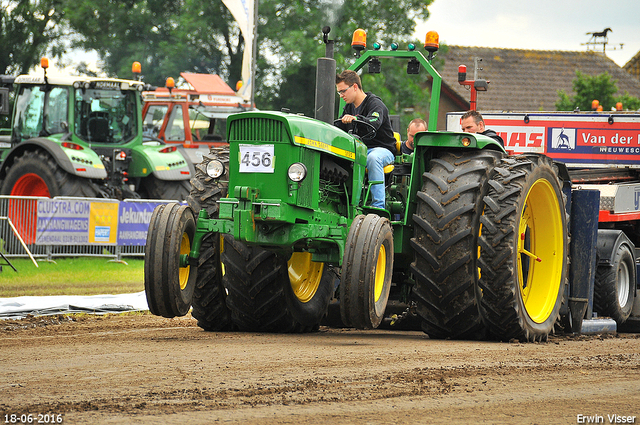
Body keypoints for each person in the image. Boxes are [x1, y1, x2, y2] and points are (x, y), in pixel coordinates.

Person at [335, 70, 396, 209]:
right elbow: (340, 127)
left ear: (355, 87)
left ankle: (378, 206)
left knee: (373, 158)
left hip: (382, 150)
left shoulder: (374, 104)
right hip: (359, 150)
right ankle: (344, 203)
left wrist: (356, 118)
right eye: (339, 92)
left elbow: (374, 121)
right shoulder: (349, 107)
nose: (341, 95)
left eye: (343, 91)